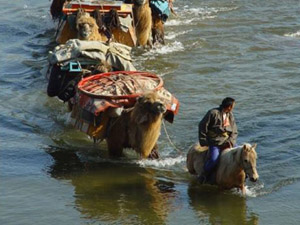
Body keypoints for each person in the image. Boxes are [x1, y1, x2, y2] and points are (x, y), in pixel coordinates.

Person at [198, 97, 238, 183]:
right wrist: (203, 140)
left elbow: (234, 131)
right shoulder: (213, 113)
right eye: (233, 105)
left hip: (227, 140)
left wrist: (230, 141)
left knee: (240, 154)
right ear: (229, 106)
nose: (234, 107)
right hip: (215, 142)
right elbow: (202, 126)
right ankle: (204, 174)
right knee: (214, 160)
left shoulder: (230, 115)